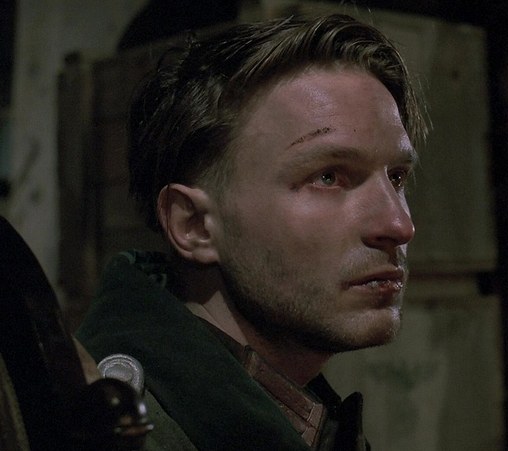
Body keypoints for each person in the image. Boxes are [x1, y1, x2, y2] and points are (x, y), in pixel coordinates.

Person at [76, 13, 427, 451]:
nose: (399, 225)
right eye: (328, 177)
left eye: (396, 177)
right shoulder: (107, 433)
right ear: (194, 226)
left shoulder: (297, 415)